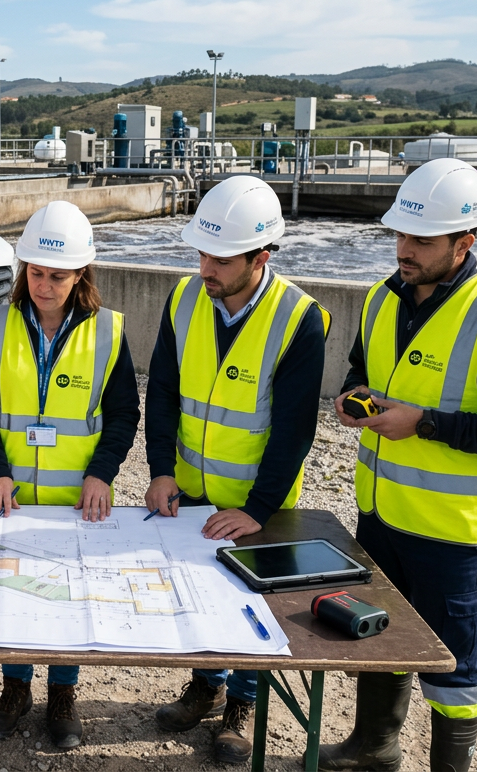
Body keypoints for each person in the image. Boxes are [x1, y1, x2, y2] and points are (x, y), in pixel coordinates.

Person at [321, 158, 477, 772]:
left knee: (454, 664)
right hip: (379, 516)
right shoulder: (379, 300)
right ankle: (375, 746)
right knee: (380, 636)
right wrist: (353, 399)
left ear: (463, 242)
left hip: (452, 533)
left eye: (422, 240)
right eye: (400, 235)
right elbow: (360, 375)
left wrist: (424, 423)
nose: (405, 250)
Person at [143, 176, 330, 766]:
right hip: (191, 488)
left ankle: (241, 707)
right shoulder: (183, 299)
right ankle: (204, 686)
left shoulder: (299, 318)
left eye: (221, 258)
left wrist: (257, 509)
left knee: (251, 605)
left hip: (258, 504)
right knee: (197, 599)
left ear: (262, 255)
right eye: (201, 253)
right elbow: (164, 395)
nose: (207, 268)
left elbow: (295, 429)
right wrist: (161, 469)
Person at [0, 200, 140, 749]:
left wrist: (102, 474)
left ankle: (62, 696)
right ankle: (15, 690)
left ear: (80, 274)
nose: (44, 285)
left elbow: (122, 414)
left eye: (57, 276)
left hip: (75, 503)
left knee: (69, 602)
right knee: (15, 594)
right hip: (12, 498)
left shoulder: (108, 331)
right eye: (36, 273)